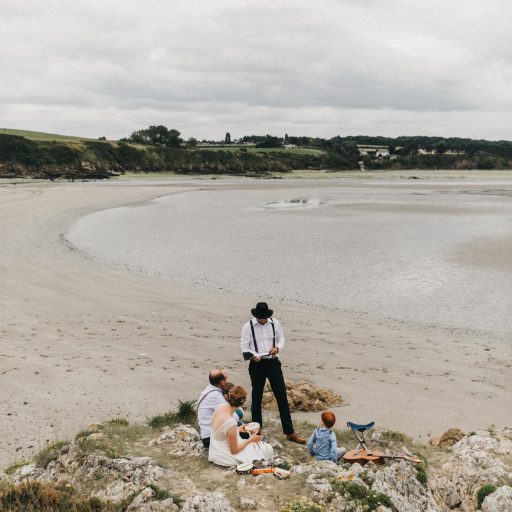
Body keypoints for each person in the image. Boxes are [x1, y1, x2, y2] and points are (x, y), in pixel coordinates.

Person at [241, 302, 305, 444]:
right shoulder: (247, 327)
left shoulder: (275, 323)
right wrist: (254, 355)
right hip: (257, 365)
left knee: (282, 396)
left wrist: (277, 347)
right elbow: (244, 347)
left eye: (264, 317)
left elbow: (281, 339)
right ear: (256, 316)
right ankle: (256, 432)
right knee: (256, 398)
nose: (263, 320)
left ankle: (290, 432)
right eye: (260, 318)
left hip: (273, 362)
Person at [208, 385, 274, 467]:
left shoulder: (220, 407)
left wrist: (238, 429)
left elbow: (220, 430)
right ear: (242, 403)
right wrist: (250, 439)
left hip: (215, 449)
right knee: (268, 449)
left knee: (258, 446)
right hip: (224, 455)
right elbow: (234, 450)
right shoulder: (231, 422)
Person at [197, 368, 229, 448]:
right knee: (246, 433)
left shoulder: (208, 389)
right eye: (225, 379)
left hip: (206, 434)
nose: (226, 381)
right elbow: (234, 417)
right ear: (221, 382)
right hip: (210, 438)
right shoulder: (215, 396)